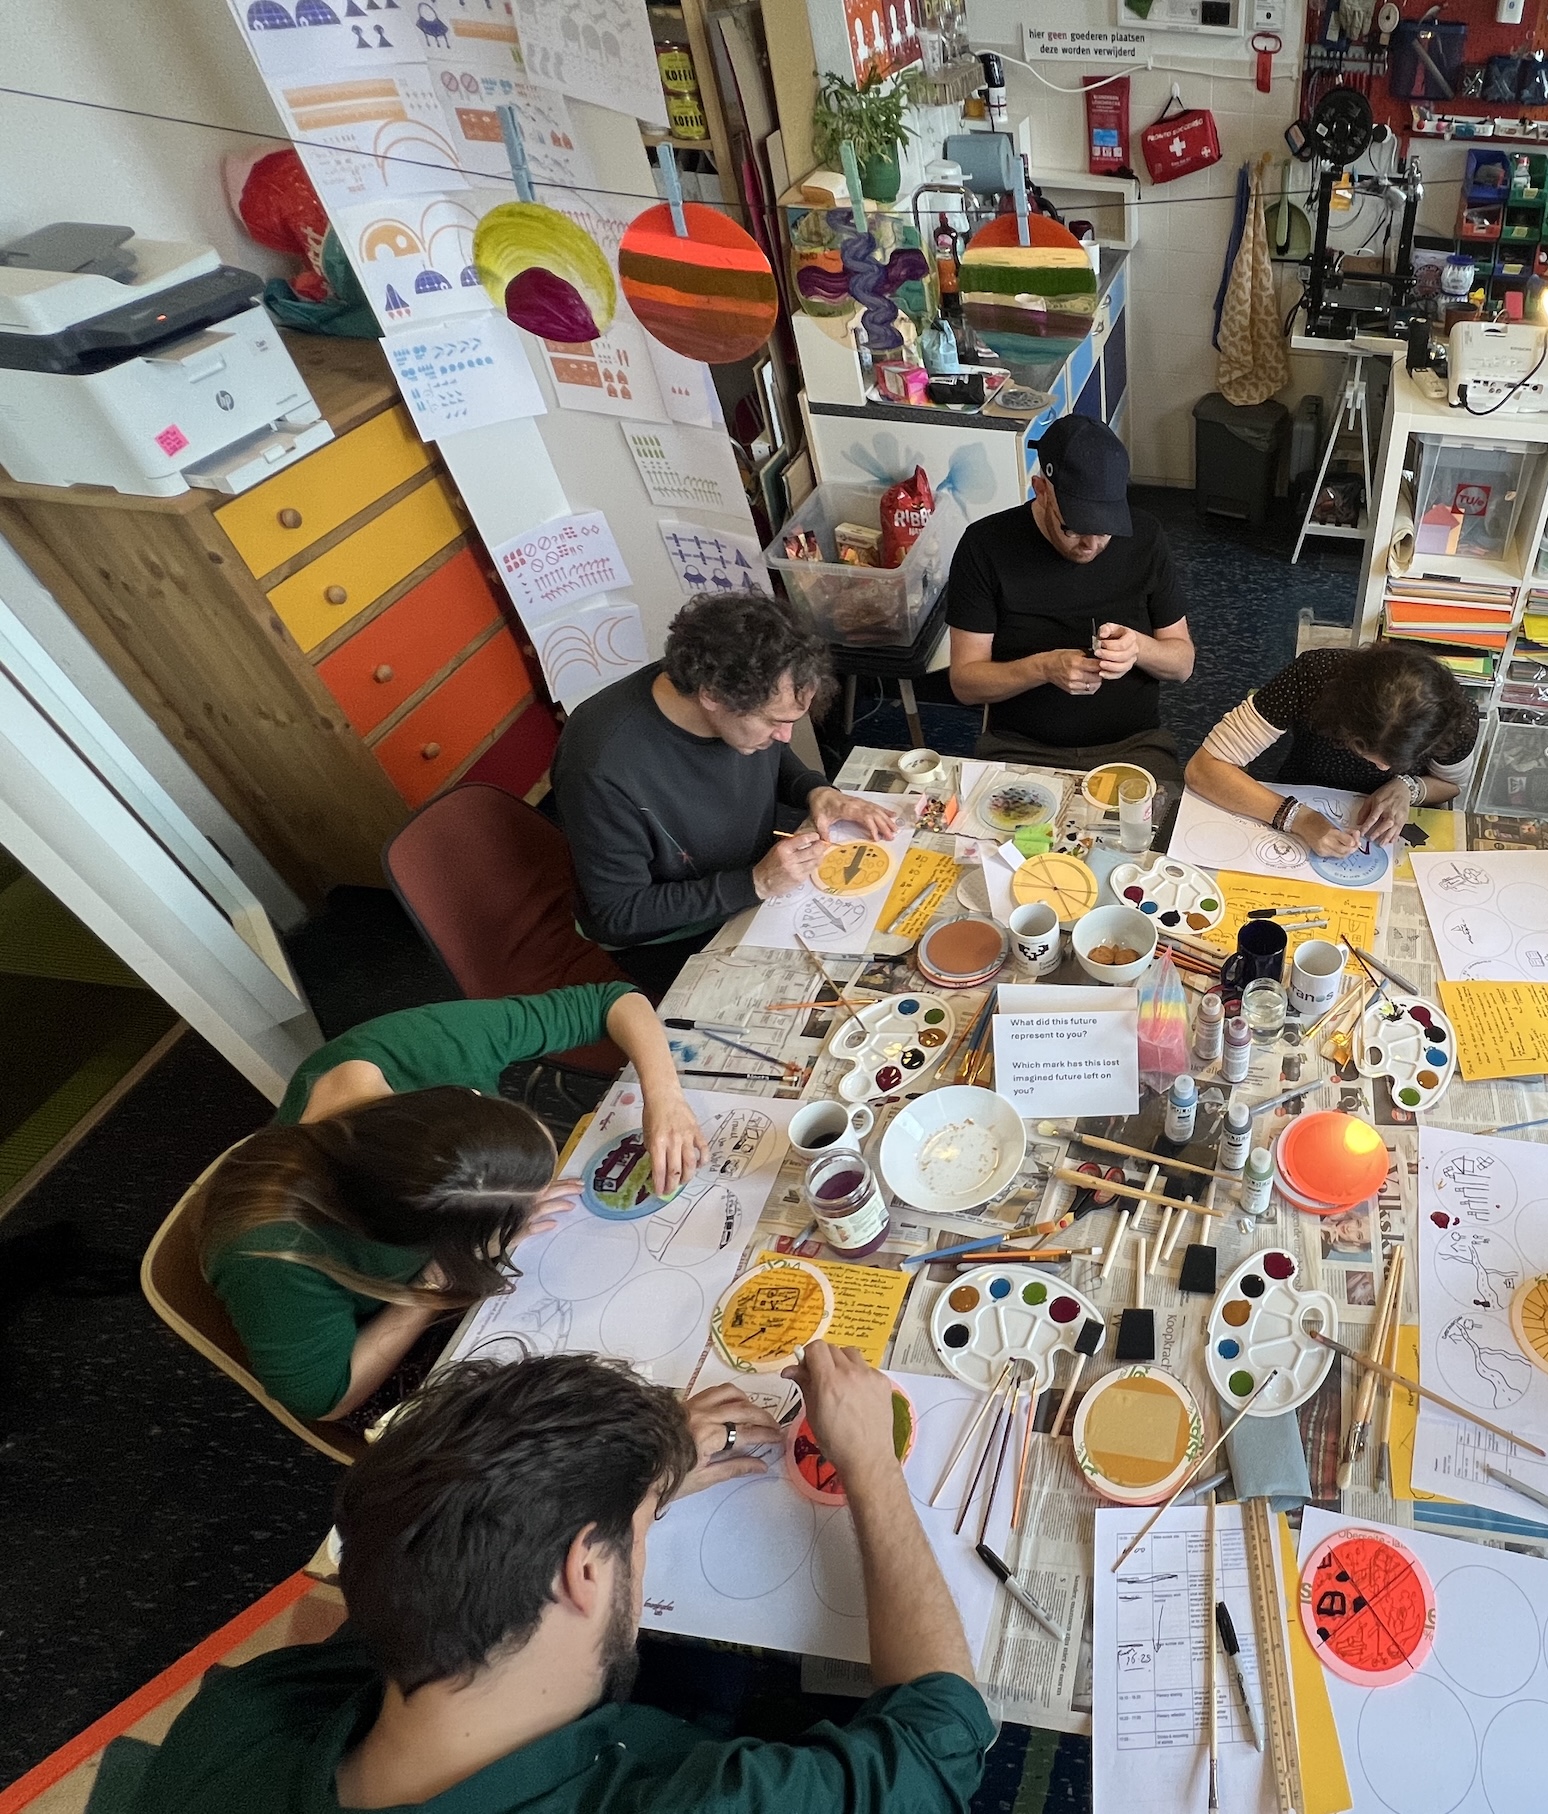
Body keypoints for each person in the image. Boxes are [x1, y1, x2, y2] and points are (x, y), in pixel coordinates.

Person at [129, 1346, 995, 1812]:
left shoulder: (235, 1720)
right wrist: (873, 1467)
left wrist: (635, 1483)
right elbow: (938, 1739)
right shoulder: (712, 1799)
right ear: (583, 1570)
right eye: (629, 1534)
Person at [201, 983, 702, 1428]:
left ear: (457, 1097)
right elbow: (328, 1398)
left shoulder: (418, 1050)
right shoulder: (271, 1256)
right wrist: (439, 1278)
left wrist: (665, 1097)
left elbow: (613, 1000)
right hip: (400, 1335)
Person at [553, 592, 899, 998]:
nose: (785, 737)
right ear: (713, 696)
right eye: (775, 721)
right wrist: (756, 883)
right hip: (674, 934)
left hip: (753, 875)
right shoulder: (601, 768)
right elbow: (618, 914)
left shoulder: (731, 696)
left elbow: (775, 755)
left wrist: (814, 790)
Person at [946, 415, 1194, 799]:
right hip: (1023, 747)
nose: (1091, 546)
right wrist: (1043, 668)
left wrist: (1139, 648)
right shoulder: (985, 546)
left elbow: (1182, 665)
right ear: (1041, 490)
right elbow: (964, 684)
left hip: (1132, 747)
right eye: (1073, 528)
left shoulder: (1145, 537)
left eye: (1105, 530)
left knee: (1150, 848)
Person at [1185, 643, 1480, 854]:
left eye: (1395, 762)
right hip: (1302, 785)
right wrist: (1297, 817)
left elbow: (1451, 784)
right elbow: (1203, 767)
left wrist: (1409, 788)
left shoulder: (1457, 718)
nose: (1382, 769)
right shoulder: (1315, 676)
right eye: (1365, 752)